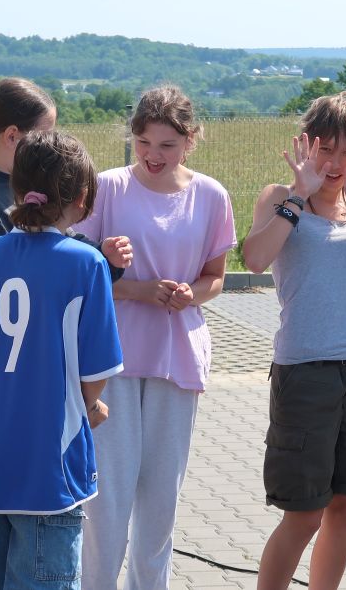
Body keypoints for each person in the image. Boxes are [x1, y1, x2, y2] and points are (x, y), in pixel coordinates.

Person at [0, 77, 132, 590]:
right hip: (52, 466)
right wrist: (88, 406)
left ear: (18, 190)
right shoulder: (86, 262)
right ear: (82, 199)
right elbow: (97, 372)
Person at [76, 85, 235, 590]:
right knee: (107, 499)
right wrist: (137, 287)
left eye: (167, 145)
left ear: (190, 140)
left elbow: (215, 278)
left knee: (161, 501)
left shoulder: (211, 195)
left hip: (177, 357)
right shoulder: (106, 187)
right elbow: (80, 271)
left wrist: (191, 294)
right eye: (143, 142)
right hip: (112, 358)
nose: (153, 155)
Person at [242, 91, 346, 590]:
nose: (335, 163)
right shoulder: (279, 196)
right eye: (325, 149)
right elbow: (254, 259)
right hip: (305, 373)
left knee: (345, 506)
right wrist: (296, 196)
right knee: (304, 513)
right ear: (306, 146)